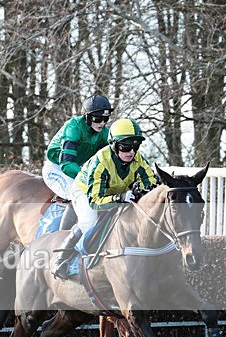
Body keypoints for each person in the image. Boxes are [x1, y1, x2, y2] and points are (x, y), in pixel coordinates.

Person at [51, 118, 158, 279]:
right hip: (85, 192)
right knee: (89, 221)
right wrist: (120, 198)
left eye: (135, 146)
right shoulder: (101, 161)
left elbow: (151, 184)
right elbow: (95, 201)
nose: (131, 152)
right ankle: (62, 260)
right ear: (114, 145)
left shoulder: (138, 160)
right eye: (125, 146)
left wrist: (145, 191)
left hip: (114, 193)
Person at [43, 94, 113, 201]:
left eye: (106, 119)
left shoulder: (104, 133)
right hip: (56, 168)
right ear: (87, 116)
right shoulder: (73, 127)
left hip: (76, 169)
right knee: (79, 196)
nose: (102, 123)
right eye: (98, 119)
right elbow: (67, 165)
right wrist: (90, 176)